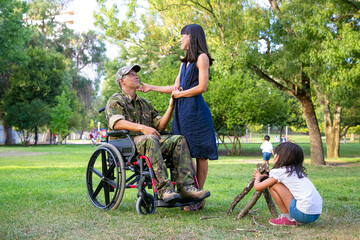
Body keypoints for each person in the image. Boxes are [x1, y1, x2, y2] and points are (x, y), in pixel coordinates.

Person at [137, 24, 218, 211]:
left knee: (200, 154)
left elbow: (202, 87)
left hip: (196, 112)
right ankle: (186, 192)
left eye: (182, 36)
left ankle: (198, 195)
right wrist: (151, 87)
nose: (180, 40)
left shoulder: (202, 58)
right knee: (183, 153)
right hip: (182, 113)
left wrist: (180, 95)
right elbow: (175, 88)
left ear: (192, 37)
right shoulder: (184, 63)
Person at [105, 64, 210, 204]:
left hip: (149, 143)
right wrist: (143, 128)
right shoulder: (115, 100)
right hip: (126, 143)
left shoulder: (144, 103)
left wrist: (171, 105)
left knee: (179, 139)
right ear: (121, 80)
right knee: (150, 138)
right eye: (131, 74)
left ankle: (186, 188)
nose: (136, 76)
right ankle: (164, 189)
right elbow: (116, 123)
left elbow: (160, 125)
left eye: (136, 74)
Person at [253, 142, 323, 226]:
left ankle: (287, 218)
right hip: (316, 213)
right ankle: (292, 217)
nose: (274, 156)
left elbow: (257, 187)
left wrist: (258, 177)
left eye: (276, 154)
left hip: (303, 213)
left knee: (274, 186)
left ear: (283, 157)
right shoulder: (296, 172)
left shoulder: (280, 171)